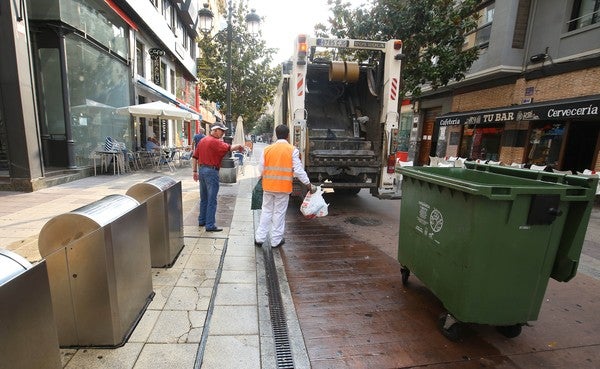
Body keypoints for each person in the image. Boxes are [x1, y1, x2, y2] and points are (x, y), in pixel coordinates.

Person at [255, 124, 316, 248]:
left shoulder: (267, 149)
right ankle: (275, 240)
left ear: (276, 135)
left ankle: (259, 238)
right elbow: (298, 170)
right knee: (279, 213)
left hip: (268, 186)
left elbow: (260, 168)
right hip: (282, 188)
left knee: (266, 211)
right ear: (288, 136)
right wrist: (308, 184)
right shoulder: (292, 150)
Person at [191, 122, 244, 232]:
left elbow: (195, 157)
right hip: (211, 171)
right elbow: (230, 148)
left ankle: (202, 220)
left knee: (204, 198)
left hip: (202, 170)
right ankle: (210, 225)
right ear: (215, 130)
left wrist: (195, 171)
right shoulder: (215, 142)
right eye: (222, 131)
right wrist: (239, 146)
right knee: (212, 200)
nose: (223, 133)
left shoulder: (202, 141)